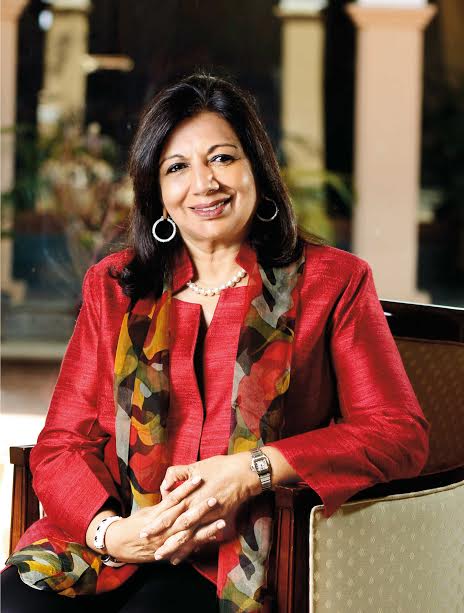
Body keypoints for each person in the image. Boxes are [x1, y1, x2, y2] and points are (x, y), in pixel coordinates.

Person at [3, 73, 429, 613]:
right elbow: (62, 442)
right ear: (157, 193)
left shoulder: (334, 282)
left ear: (257, 170)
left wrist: (253, 470)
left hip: (242, 560)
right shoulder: (114, 286)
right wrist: (110, 532)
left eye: (223, 159)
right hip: (111, 541)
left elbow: (397, 432)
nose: (204, 184)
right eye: (177, 168)